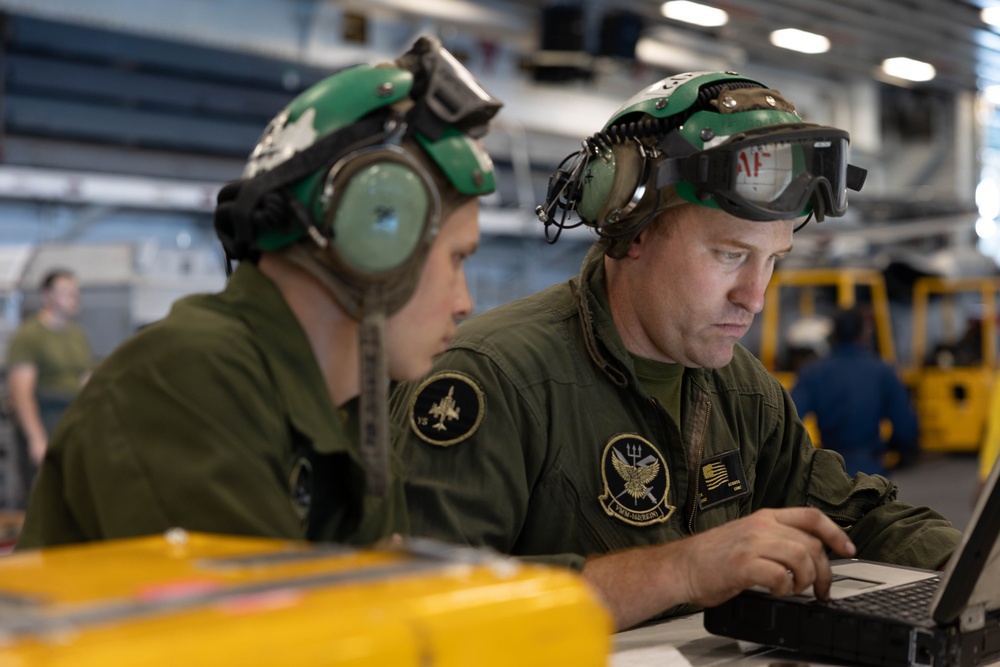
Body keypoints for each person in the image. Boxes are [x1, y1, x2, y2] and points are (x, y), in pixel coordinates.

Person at [389, 71, 961, 630]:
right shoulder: (492, 381)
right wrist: (679, 570)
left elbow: (849, 515)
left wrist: (964, 566)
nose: (754, 299)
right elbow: (423, 608)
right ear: (633, 227)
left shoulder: (740, 388)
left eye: (772, 261)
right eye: (731, 255)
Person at [17, 35, 502, 548]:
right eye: (455, 259)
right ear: (371, 238)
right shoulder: (186, 382)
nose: (463, 302)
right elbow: (270, 624)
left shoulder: (354, 411)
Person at [791, 306, 919, 476]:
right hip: (872, 470)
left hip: (828, 470)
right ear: (864, 333)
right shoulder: (882, 371)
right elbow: (906, 428)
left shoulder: (813, 372)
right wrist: (892, 449)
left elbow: (790, 419)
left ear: (833, 334)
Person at [5, 269, 93, 508]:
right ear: (47, 296)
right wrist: (37, 439)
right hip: (45, 420)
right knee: (44, 501)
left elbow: (86, 380)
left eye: (75, 292)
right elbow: (21, 393)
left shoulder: (76, 334)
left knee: (76, 498)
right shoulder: (29, 336)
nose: (73, 298)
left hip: (73, 424)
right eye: (65, 292)